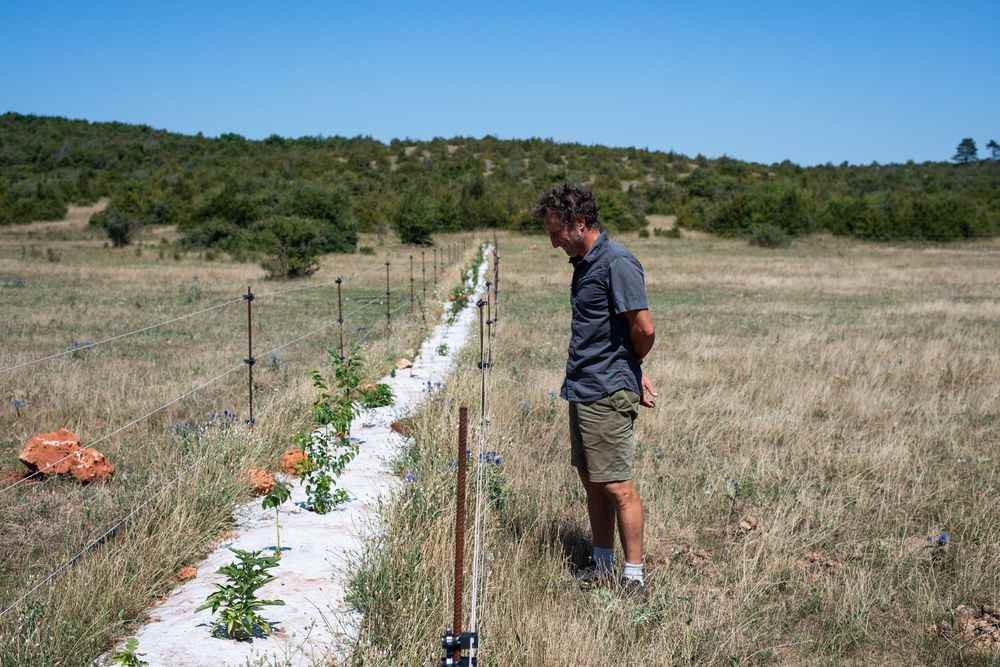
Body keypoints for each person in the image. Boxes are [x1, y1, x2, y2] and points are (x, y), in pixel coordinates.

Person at [533, 183, 657, 595]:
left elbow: (643, 327)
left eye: (556, 233)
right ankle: (602, 565)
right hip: (584, 387)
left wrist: (631, 366)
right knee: (592, 481)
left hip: (606, 389)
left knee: (618, 486)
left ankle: (633, 576)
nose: (553, 243)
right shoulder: (584, 263)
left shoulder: (617, 262)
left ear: (580, 223)